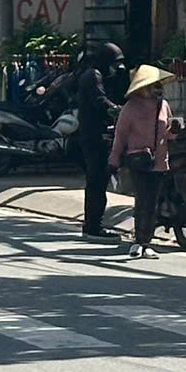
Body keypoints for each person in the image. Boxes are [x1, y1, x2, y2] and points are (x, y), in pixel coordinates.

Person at [109, 63, 178, 257]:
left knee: (152, 203)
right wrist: (113, 160)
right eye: (153, 86)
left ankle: (146, 242)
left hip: (159, 162)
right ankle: (138, 241)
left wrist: (174, 131)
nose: (157, 89)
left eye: (158, 85)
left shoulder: (163, 106)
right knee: (142, 201)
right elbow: (120, 136)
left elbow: (167, 134)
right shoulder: (130, 108)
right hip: (138, 160)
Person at [74, 39, 121, 240]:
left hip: (93, 134)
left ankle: (93, 223)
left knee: (97, 181)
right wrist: (119, 111)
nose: (115, 68)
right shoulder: (93, 76)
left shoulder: (94, 75)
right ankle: (93, 225)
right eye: (114, 63)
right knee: (97, 181)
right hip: (94, 136)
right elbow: (100, 102)